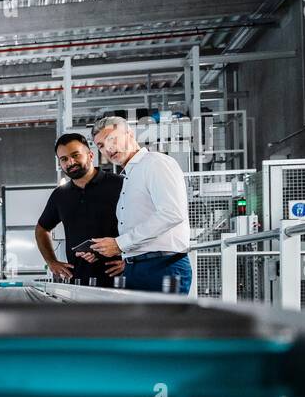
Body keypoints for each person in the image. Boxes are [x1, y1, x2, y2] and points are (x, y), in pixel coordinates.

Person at [83, 115, 193, 294]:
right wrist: (104, 249)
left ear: (130, 134)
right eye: (101, 145)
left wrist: (120, 244)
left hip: (162, 267)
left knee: (164, 323)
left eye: (112, 139)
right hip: (135, 268)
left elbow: (172, 213)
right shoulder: (129, 176)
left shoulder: (155, 163)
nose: (108, 148)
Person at [34, 133, 125, 286]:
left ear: (90, 155)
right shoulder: (60, 195)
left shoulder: (120, 184)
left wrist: (131, 260)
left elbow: (146, 224)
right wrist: (52, 262)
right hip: (79, 281)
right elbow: (41, 229)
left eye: (75, 155)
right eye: (64, 159)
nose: (70, 162)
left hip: (120, 278)